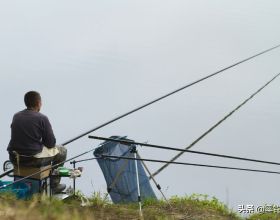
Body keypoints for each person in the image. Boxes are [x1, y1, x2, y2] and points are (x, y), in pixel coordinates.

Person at [7, 91, 67, 193]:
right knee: (62, 151)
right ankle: (54, 185)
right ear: (39, 103)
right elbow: (51, 143)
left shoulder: (16, 116)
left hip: (14, 157)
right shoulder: (42, 118)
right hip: (31, 159)